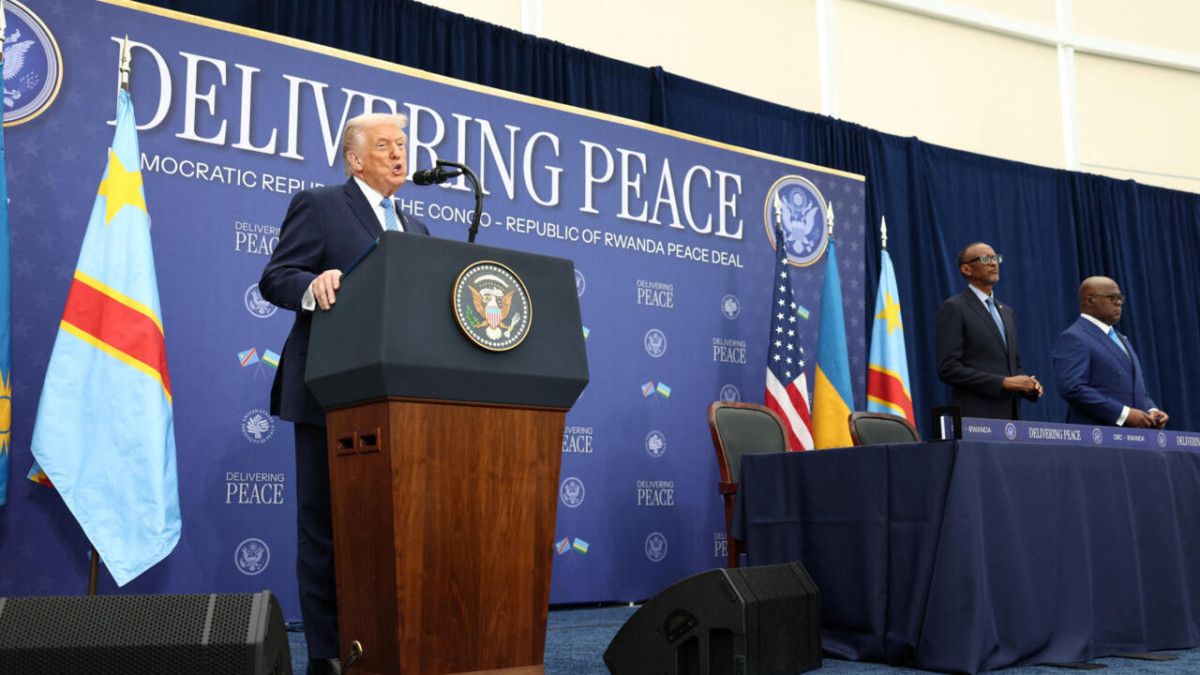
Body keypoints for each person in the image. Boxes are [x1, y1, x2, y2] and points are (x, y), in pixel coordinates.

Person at [259, 112, 430, 675]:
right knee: (326, 530)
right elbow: (277, 276)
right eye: (384, 146)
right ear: (354, 160)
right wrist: (312, 284)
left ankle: (387, 642)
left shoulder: (417, 229)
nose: (399, 154)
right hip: (328, 392)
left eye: (402, 144)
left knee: (388, 528)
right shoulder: (321, 205)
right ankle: (327, 653)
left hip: (399, 401)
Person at [935, 242, 1043, 419]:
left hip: (1011, 419)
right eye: (986, 259)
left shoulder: (1006, 312)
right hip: (977, 417)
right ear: (966, 269)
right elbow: (949, 368)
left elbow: (1013, 365)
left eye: (996, 258)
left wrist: (1027, 384)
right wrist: (1003, 382)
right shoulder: (955, 308)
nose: (994, 263)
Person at [1052, 276, 1167, 428]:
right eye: (1112, 297)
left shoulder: (1121, 338)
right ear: (1089, 301)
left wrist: (1151, 410)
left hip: (1134, 435)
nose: (1118, 302)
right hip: (1097, 434)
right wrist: (1123, 414)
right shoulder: (1075, 337)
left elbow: (1134, 387)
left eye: (1120, 298)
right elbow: (1073, 388)